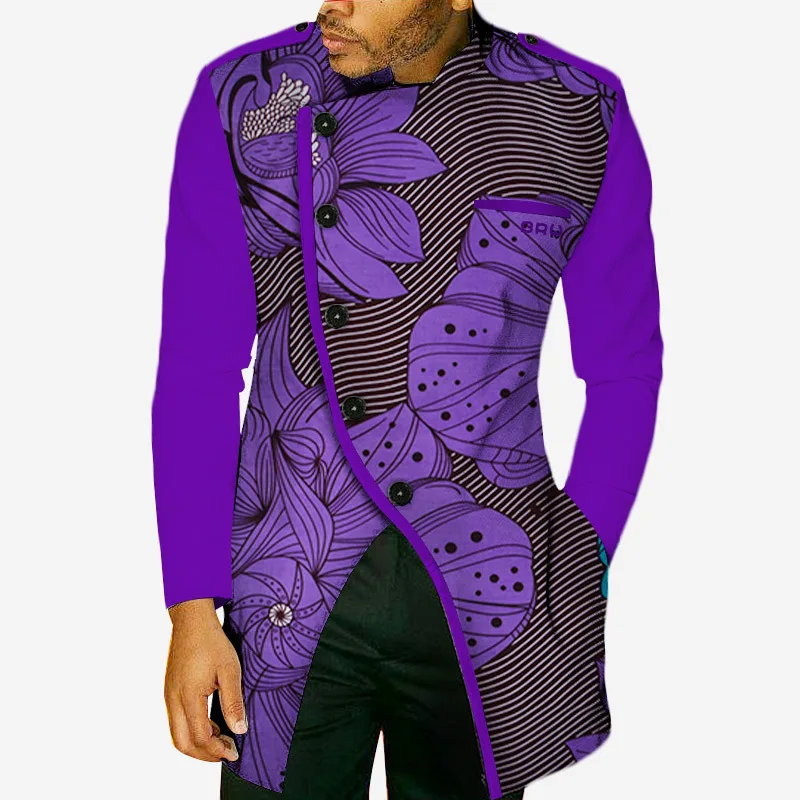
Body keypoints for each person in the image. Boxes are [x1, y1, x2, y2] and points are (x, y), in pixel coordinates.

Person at [151, 1, 664, 799]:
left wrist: (584, 552)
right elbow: (198, 365)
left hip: (487, 597)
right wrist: (191, 604)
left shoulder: (577, 107)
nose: (334, 3)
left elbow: (624, 366)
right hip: (286, 588)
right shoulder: (243, 95)